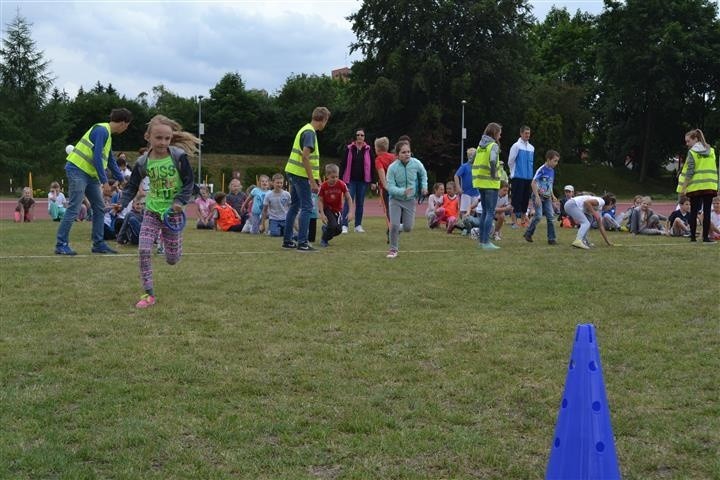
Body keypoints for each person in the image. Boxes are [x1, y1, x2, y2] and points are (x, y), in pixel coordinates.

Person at [118, 114, 197, 309]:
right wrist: (122, 202)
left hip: (173, 214)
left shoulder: (178, 157)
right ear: (148, 137)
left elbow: (189, 183)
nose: (163, 142)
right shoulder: (143, 162)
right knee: (144, 250)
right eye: (158, 138)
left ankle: (170, 244)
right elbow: (131, 186)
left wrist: (179, 201)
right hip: (152, 210)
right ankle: (149, 294)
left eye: (167, 138)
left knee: (172, 259)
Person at [55, 107, 132, 255]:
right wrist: (104, 182)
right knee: (74, 207)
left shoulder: (107, 135)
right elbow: (97, 158)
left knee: (99, 207)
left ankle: (98, 244)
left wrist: (122, 179)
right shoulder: (102, 130)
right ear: (123, 123)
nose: (126, 129)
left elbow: (109, 160)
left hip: (90, 174)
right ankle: (61, 244)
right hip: (77, 170)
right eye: (127, 126)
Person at [282, 106, 331, 251]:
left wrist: (316, 178)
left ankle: (287, 240)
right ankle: (302, 242)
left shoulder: (305, 129)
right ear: (323, 120)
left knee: (295, 206)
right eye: (326, 121)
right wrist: (312, 181)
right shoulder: (310, 133)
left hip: (292, 172)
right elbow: (305, 156)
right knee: (307, 207)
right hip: (300, 175)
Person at [385, 140, 428, 258]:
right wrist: (402, 191)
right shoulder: (392, 168)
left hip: (410, 200)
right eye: (404, 152)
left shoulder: (416, 163)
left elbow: (423, 174)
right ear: (397, 154)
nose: (407, 154)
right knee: (393, 225)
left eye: (408, 151)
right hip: (395, 200)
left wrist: (424, 187)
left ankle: (396, 228)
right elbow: (390, 187)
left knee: (408, 227)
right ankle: (393, 249)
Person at [677, 128, 718, 243]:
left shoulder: (692, 152)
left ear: (695, 139)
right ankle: (705, 238)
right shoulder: (711, 151)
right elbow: (714, 168)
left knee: (694, 211)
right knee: (707, 212)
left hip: (695, 187)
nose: (687, 144)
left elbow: (690, 171)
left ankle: (693, 237)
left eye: (688, 141)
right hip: (709, 186)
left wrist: (684, 187)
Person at [472, 122, 503, 250]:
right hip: (490, 183)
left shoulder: (480, 146)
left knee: (485, 211)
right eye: (499, 134)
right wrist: (494, 174)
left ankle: (482, 241)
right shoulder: (493, 146)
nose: (500, 136)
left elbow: (472, 160)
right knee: (490, 212)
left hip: (480, 182)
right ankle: (486, 242)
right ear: (495, 133)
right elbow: (492, 160)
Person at [340, 128, 376, 233]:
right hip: (350, 180)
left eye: (362, 135)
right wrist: (340, 179)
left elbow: (373, 166)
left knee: (360, 203)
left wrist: (373, 181)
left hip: (363, 181)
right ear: (355, 137)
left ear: (364, 137)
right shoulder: (349, 148)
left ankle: (358, 225)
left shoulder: (368, 149)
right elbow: (343, 163)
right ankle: (344, 225)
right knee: (348, 201)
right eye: (358, 135)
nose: (360, 137)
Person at [523, 150, 559, 245]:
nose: (556, 163)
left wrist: (552, 195)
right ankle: (528, 233)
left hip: (547, 198)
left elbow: (550, 184)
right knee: (538, 216)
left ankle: (551, 239)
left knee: (551, 217)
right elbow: (533, 183)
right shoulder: (541, 169)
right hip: (538, 196)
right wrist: (537, 196)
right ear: (548, 159)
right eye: (555, 161)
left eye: (557, 161)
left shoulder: (552, 171)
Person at [317, 163, 353, 247]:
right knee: (333, 225)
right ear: (327, 176)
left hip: (337, 209)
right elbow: (320, 200)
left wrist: (350, 212)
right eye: (333, 177)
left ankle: (326, 230)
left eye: (337, 176)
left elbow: (348, 198)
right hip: (327, 208)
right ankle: (324, 239)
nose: (335, 179)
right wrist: (322, 214)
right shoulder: (324, 186)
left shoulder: (341, 184)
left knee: (339, 230)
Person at [507, 126, 535, 228]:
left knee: (525, 200)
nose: (528, 135)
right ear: (521, 133)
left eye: (529, 133)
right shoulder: (516, 146)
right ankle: (514, 222)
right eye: (526, 133)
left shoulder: (532, 148)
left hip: (528, 178)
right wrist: (513, 173)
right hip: (518, 177)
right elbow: (510, 161)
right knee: (515, 199)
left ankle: (523, 221)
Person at [374, 136, 396, 242]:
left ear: (377, 148)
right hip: (396, 187)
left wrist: (386, 186)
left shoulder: (378, 159)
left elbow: (382, 173)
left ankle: (391, 232)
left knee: (388, 211)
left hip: (386, 189)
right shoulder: (393, 157)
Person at [454, 147, 480, 219]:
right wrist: (458, 187)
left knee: (473, 210)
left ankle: (470, 224)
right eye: (470, 155)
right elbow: (456, 175)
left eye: (474, 155)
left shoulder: (478, 166)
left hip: (476, 192)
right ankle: (463, 224)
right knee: (464, 210)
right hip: (466, 192)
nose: (472, 156)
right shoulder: (464, 166)